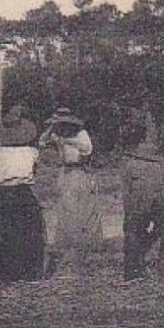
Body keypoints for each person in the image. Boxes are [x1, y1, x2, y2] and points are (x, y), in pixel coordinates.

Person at [0, 116, 47, 281]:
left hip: (4, 194)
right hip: (24, 193)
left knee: (2, 231)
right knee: (28, 230)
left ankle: (2, 273)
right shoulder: (32, 152)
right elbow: (35, 170)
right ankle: (29, 271)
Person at [121, 118, 164, 281]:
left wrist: (128, 217)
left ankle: (134, 272)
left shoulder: (129, 163)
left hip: (142, 198)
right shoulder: (160, 162)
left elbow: (127, 195)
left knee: (133, 231)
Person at [39, 107, 101, 251]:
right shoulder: (56, 133)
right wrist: (51, 128)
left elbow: (87, 149)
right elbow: (42, 142)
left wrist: (66, 141)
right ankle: (68, 241)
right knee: (65, 206)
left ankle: (85, 242)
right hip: (65, 170)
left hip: (79, 170)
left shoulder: (81, 134)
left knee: (81, 206)